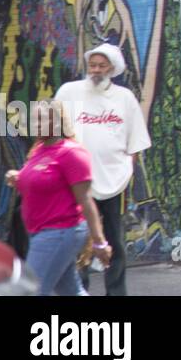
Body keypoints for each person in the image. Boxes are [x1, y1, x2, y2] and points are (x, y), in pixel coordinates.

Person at [54, 43, 151, 296]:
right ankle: (78, 290)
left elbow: (136, 141)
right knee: (79, 240)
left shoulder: (124, 98)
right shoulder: (69, 92)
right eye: (92, 65)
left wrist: (126, 171)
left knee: (115, 241)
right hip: (77, 182)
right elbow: (53, 132)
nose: (95, 70)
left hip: (114, 181)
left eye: (101, 65)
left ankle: (116, 292)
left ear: (112, 68)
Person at [5, 100, 111, 295]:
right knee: (70, 290)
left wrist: (99, 241)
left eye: (41, 120)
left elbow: (86, 200)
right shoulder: (39, 150)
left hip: (59, 232)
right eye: (33, 120)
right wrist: (18, 179)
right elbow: (44, 184)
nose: (35, 124)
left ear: (56, 121)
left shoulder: (71, 153)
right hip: (42, 232)